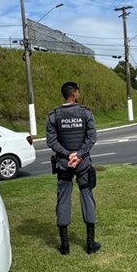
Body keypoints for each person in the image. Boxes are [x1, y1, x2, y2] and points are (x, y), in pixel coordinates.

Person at [46, 81, 99, 255]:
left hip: (64, 164)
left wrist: (68, 154)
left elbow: (51, 141)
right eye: (78, 92)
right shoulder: (86, 113)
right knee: (87, 197)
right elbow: (91, 138)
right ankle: (90, 244)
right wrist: (79, 155)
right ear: (75, 93)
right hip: (82, 164)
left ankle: (65, 246)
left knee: (63, 200)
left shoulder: (54, 116)